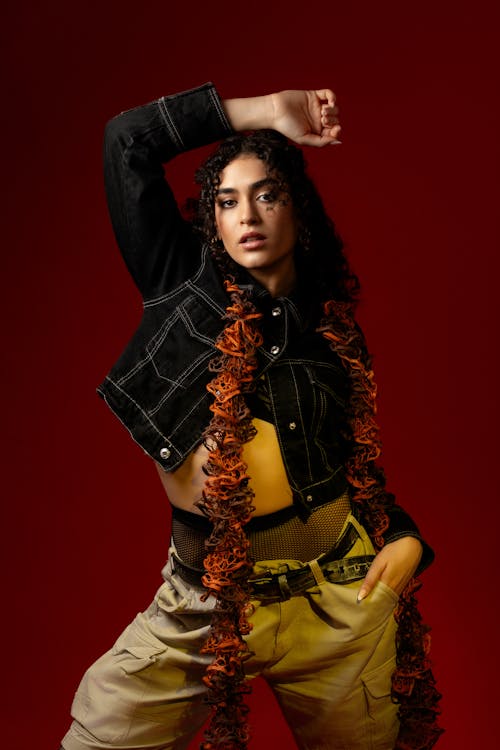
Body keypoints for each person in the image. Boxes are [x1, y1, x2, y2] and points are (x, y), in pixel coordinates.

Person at [60, 83, 442, 750]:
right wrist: (270, 114)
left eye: (267, 195)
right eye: (227, 201)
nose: (248, 215)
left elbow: (351, 471)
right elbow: (127, 140)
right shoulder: (180, 283)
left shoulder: (329, 335)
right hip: (206, 600)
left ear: (298, 211)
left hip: (336, 597)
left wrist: (406, 540)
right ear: (211, 218)